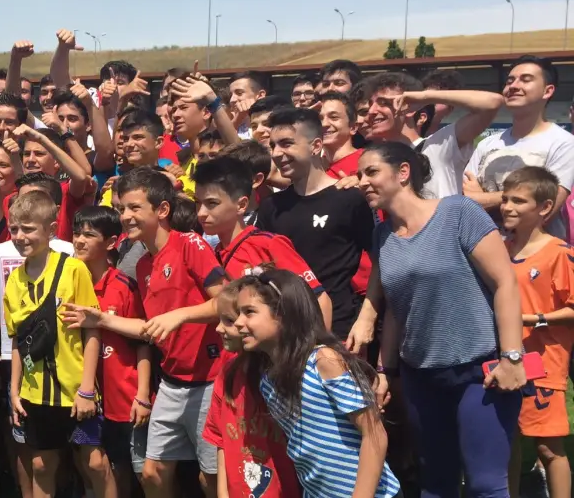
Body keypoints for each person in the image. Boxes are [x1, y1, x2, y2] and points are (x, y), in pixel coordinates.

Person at [351, 141, 526, 498]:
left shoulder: (458, 212)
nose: (362, 182)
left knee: (485, 484)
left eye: (371, 172)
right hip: (421, 378)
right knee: (435, 484)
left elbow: (505, 283)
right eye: (359, 175)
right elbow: (396, 308)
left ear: (403, 172)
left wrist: (511, 356)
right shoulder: (382, 235)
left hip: (480, 371)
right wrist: (386, 371)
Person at [63, 167, 227, 498]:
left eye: (134, 207)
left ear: (162, 210)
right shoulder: (142, 265)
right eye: (122, 208)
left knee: (210, 480)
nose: (125, 216)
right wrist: (100, 319)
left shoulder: (189, 243)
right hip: (171, 382)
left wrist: (181, 315)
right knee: (151, 474)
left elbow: (228, 300)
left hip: (210, 380)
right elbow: (148, 328)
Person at [232, 270, 400, 498]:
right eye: (238, 313)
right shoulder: (267, 380)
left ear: (283, 313)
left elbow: (375, 435)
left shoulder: (323, 361)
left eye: (249, 312)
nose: (238, 322)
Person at [4, 191, 102, 498]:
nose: (20, 236)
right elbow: (18, 340)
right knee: (42, 465)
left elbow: (92, 331)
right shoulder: (14, 280)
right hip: (35, 392)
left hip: (75, 390)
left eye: (28, 228)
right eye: (14, 229)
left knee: (94, 464)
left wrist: (87, 389)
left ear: (50, 229)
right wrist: (14, 389)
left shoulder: (73, 270)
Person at [257, 107, 373, 341]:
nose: (277, 153)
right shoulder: (271, 207)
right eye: (273, 146)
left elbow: (380, 262)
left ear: (316, 145)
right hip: (285, 332)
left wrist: (367, 318)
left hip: (338, 332)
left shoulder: (349, 199)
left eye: (287, 143)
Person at [501, 166, 574, 498]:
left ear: (545, 208)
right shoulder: (499, 249)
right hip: (502, 360)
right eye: (505, 199)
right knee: (506, 442)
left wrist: (533, 319)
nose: (507, 207)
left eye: (518, 201)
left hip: (544, 364)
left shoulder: (559, 253)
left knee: (548, 447)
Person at [193, 156, 332, 328]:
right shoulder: (212, 256)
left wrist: (320, 342)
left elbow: (319, 298)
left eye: (212, 203)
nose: (201, 213)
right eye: (197, 203)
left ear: (241, 205)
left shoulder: (268, 244)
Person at [74, 205, 150, 497]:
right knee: (92, 464)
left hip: (125, 396)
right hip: (83, 395)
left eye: (89, 235)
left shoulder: (124, 286)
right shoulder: (68, 282)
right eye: (76, 233)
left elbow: (143, 342)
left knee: (135, 470)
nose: (80, 240)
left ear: (111, 242)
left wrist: (143, 394)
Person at [201, 279, 301, 498]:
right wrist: (223, 493)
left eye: (228, 320)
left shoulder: (284, 378)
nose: (218, 328)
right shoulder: (227, 374)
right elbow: (220, 440)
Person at [464, 55, 574, 238]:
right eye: (510, 81)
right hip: (482, 247)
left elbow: (546, 210)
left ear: (547, 91)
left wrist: (481, 199)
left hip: (531, 252)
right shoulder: (487, 144)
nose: (513, 86)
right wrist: (525, 197)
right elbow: (464, 203)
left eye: (526, 80)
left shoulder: (564, 143)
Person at [358, 71, 502, 199]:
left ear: (409, 107)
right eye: (371, 104)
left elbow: (492, 103)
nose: (371, 111)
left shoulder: (438, 146)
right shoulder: (376, 161)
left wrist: (425, 97)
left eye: (384, 103)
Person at [318, 92, 361, 179]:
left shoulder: (367, 161)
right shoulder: (312, 167)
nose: (324, 124)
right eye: (319, 119)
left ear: (353, 127)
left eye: (334, 117)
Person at [226, 72, 267, 139]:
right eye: (230, 95)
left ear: (260, 95)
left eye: (239, 93)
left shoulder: (274, 122)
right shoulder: (232, 121)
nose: (232, 100)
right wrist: (238, 118)